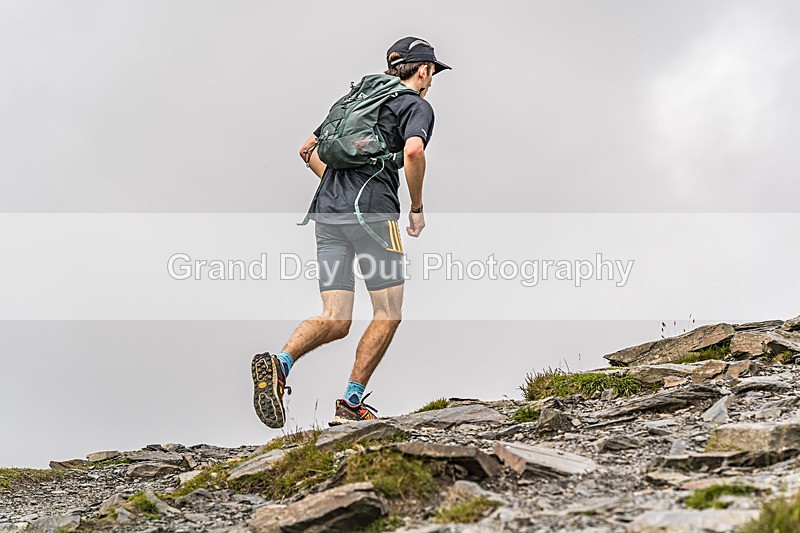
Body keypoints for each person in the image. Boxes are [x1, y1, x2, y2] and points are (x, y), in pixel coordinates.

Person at [252, 36, 451, 428]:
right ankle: (350, 402)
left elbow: (307, 149)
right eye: (433, 73)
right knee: (388, 313)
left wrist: (341, 191)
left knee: (335, 318)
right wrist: (416, 208)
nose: (432, 80)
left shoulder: (356, 99)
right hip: (374, 216)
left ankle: (281, 363)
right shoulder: (416, 105)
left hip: (328, 215)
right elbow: (413, 152)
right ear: (424, 70)